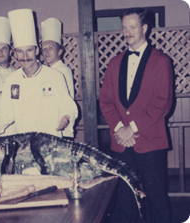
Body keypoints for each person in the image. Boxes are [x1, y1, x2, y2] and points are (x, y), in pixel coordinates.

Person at [99, 8, 173, 223]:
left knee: (156, 196)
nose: (127, 32)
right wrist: (119, 128)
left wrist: (132, 127)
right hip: (120, 141)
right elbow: (106, 100)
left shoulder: (161, 61)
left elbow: (163, 102)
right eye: (124, 28)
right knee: (124, 196)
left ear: (145, 28)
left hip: (150, 141)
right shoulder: (114, 62)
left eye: (132, 27)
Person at [0, 9, 78, 138]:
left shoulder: (55, 76)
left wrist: (65, 117)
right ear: (14, 52)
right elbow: (7, 113)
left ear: (36, 50)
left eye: (29, 50)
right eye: (20, 51)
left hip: (50, 140)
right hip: (24, 143)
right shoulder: (12, 80)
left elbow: (68, 106)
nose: (25, 57)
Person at [41, 18, 74, 99]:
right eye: (44, 48)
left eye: (50, 48)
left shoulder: (64, 70)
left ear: (59, 51)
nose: (46, 52)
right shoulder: (43, 70)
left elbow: (67, 98)